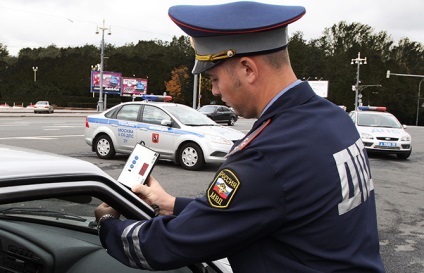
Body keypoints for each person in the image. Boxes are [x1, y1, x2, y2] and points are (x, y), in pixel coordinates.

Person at [95, 2, 386, 272]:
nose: (215, 92)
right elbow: (265, 207)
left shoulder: (268, 154)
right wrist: (169, 202)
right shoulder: (333, 119)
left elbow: (169, 245)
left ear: (247, 69)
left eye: (214, 79)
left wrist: (107, 224)